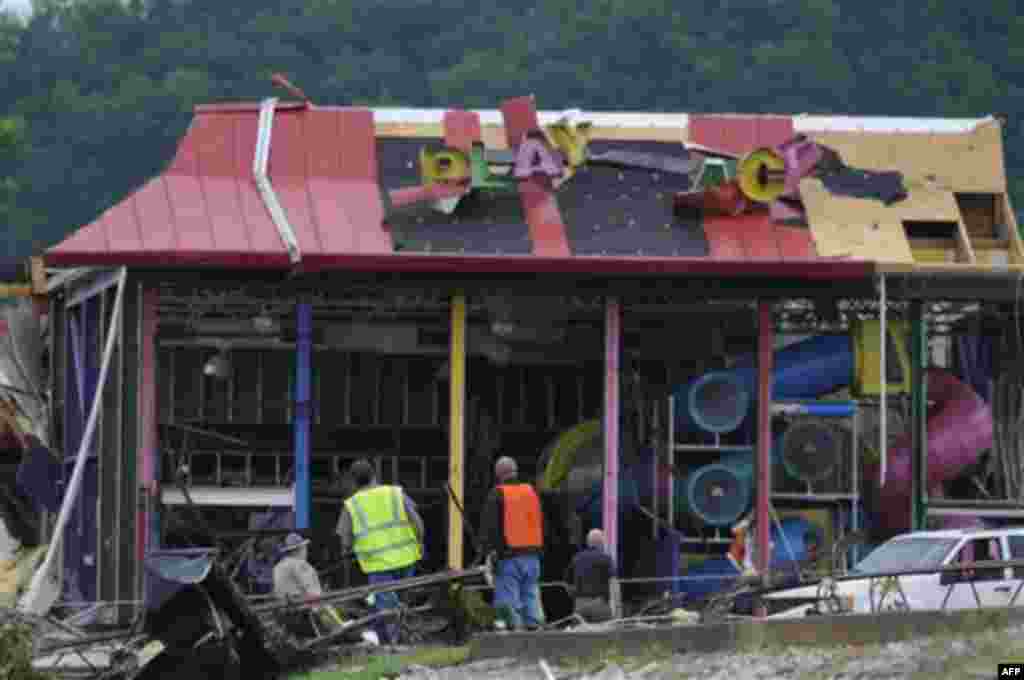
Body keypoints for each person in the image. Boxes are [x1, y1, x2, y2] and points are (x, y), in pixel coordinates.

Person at [336, 459, 424, 644]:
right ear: (374, 476)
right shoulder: (395, 493)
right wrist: (420, 542)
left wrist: (347, 554)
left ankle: (394, 645)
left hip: (378, 565)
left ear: (353, 481)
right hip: (407, 559)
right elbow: (417, 522)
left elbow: (345, 541)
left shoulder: (352, 505)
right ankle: (395, 639)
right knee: (401, 603)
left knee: (387, 607)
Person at [478, 456, 545, 631]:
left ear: (498, 474)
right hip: (532, 557)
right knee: (531, 595)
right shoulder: (531, 492)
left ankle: (511, 637)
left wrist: (487, 551)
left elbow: (490, 528)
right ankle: (535, 630)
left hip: (509, 558)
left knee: (507, 600)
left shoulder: (498, 493)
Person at [564, 529, 616, 623]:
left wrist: (573, 595)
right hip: (599, 604)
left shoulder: (577, 558)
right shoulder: (606, 558)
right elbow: (613, 582)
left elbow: (566, 582)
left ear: (588, 543)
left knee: (579, 635)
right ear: (601, 543)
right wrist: (613, 603)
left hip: (580, 604)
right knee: (604, 634)